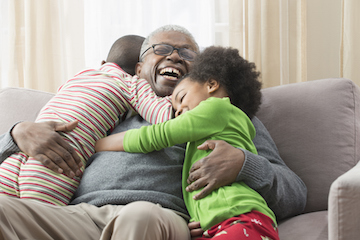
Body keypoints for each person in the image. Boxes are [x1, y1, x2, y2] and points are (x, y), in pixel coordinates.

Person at [0, 25, 306, 240]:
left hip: (157, 218)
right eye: (161, 49)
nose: (174, 56)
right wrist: (16, 133)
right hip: (78, 218)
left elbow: (296, 193)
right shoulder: (104, 105)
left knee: (139, 216)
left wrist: (243, 164)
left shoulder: (224, 116)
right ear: (138, 67)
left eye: (187, 53)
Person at [95, 46, 280, 240]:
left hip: (241, 217)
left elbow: (155, 136)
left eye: (181, 98)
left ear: (211, 85)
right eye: (175, 111)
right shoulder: (215, 128)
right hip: (217, 225)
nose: (179, 112)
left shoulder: (217, 108)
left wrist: (96, 144)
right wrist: (200, 217)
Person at [0, 34, 175, 206]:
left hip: (16, 158)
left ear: (103, 64)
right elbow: (164, 117)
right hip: (58, 162)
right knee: (37, 222)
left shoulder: (80, 76)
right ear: (139, 70)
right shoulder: (131, 83)